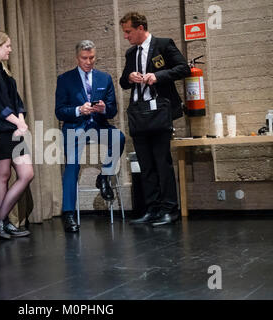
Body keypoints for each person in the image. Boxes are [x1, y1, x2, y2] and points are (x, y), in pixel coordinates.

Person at [119, 12, 190, 226]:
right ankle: (152, 209)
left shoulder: (164, 44)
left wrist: (157, 76)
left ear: (141, 28)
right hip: (140, 114)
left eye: (128, 31)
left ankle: (170, 209)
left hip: (160, 112)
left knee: (162, 162)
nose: (126, 36)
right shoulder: (131, 53)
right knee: (146, 164)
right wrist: (130, 77)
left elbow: (183, 69)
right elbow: (123, 82)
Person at [55, 40, 125, 233]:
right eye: (84, 58)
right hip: (75, 128)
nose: (88, 61)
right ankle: (68, 213)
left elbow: (113, 111)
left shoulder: (105, 78)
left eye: (92, 57)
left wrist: (104, 109)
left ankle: (104, 177)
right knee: (72, 166)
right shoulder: (65, 79)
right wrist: (78, 110)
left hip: (99, 126)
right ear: (77, 58)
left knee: (118, 137)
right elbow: (60, 112)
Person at [0, 31, 34, 240]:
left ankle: (0, 218)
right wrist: (17, 122)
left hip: (15, 130)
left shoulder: (6, 72)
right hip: (1, 131)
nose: (10, 50)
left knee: (26, 174)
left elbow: (16, 101)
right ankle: (3, 222)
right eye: (7, 46)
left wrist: (20, 121)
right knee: (2, 176)